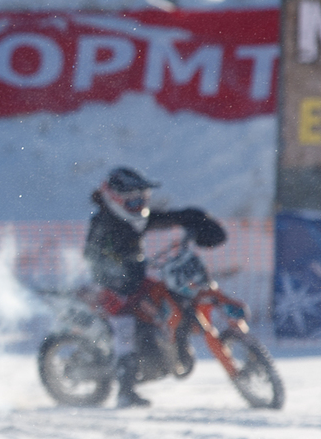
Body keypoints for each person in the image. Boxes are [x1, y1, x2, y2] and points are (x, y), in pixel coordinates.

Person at [83, 167, 227, 408]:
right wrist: (116, 273)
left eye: (143, 199)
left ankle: (174, 348)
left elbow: (167, 218)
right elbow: (93, 259)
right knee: (125, 328)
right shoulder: (103, 224)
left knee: (171, 297)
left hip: (136, 280)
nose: (139, 205)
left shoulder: (135, 218)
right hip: (111, 287)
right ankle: (125, 391)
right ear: (115, 199)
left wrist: (196, 218)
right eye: (133, 201)